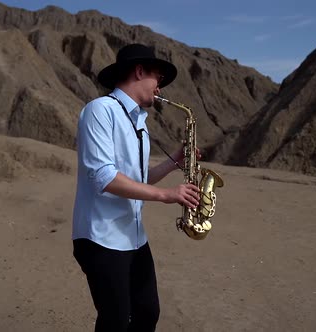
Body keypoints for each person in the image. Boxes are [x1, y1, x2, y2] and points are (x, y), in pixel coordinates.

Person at [72, 43, 200, 331]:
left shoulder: (139, 122)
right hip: (101, 238)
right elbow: (103, 177)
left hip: (133, 237)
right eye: (158, 78)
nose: (161, 88)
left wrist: (174, 163)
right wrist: (167, 196)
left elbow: (137, 180)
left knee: (147, 313)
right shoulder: (100, 110)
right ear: (139, 71)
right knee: (114, 322)